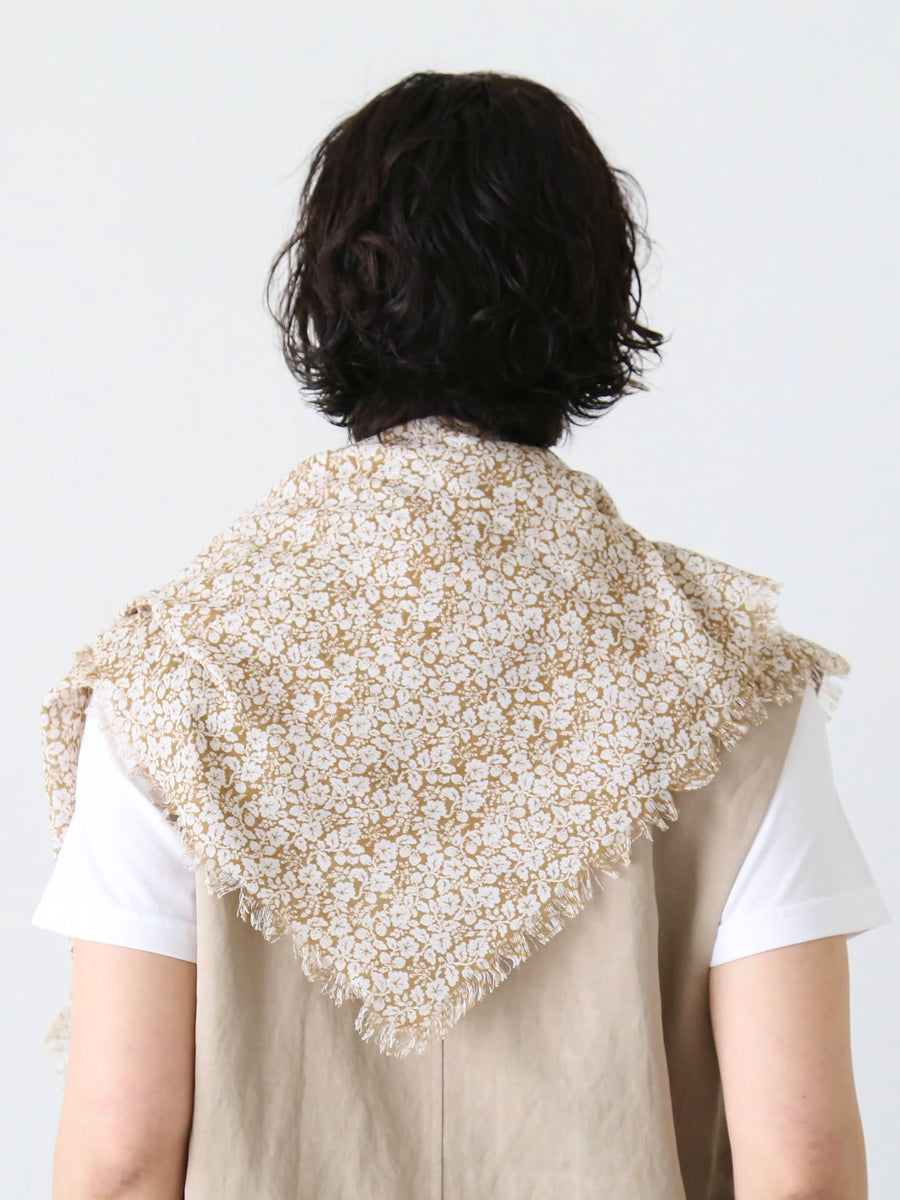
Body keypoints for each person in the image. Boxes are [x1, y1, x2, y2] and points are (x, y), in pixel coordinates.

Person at [32, 70, 891, 1200]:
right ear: (596, 301)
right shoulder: (729, 680)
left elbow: (122, 1157)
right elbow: (804, 1169)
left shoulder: (175, 673)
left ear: (329, 295)